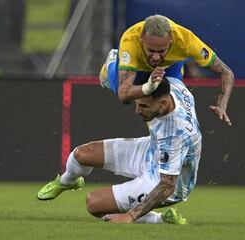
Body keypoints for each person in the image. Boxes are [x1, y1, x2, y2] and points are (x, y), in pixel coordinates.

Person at [38, 76, 202, 224]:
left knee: (93, 203)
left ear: (164, 103)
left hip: (163, 181)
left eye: (143, 105)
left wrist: (130, 216)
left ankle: (160, 219)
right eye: (137, 103)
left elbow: (167, 186)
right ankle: (67, 182)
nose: (137, 110)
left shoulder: (174, 135)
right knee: (81, 154)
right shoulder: (174, 85)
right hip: (152, 149)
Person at [99, 14, 234, 126]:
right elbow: (124, 95)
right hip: (137, 66)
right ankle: (113, 61)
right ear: (141, 39)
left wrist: (222, 105)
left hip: (170, 66)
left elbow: (226, 72)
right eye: (151, 50)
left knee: (171, 103)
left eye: (161, 51)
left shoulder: (187, 40)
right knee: (123, 95)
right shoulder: (130, 41)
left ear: (171, 40)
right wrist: (148, 87)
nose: (156, 57)